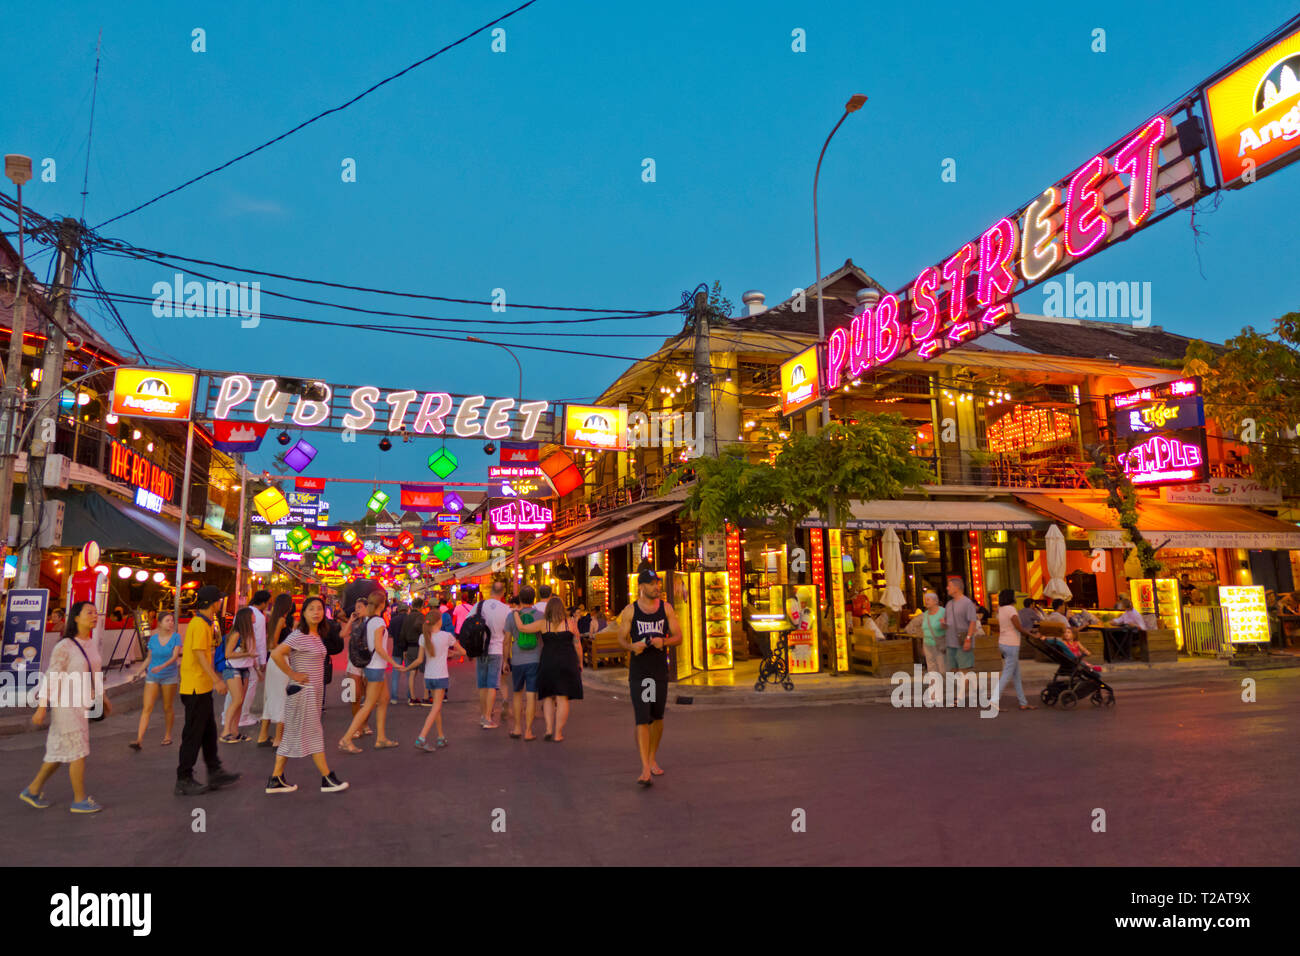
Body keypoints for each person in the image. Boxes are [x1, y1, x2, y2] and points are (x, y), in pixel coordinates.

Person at [20, 601, 110, 812]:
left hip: (82, 705)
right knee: (78, 751)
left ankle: (32, 790)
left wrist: (103, 697)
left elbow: (95, 674)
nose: (94, 616)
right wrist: (42, 707)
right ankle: (79, 799)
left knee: (58, 753)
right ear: (76, 617)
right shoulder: (65, 646)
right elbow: (52, 676)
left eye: (96, 613)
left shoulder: (91, 643)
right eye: (89, 612)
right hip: (66, 706)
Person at [265, 596, 348, 794]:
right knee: (314, 733)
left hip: (313, 692)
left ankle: (276, 779)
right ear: (303, 613)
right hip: (303, 692)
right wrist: (293, 674)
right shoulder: (298, 635)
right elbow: (276, 653)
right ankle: (327, 778)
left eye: (319, 609)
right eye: (311, 609)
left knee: (293, 735)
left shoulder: (316, 634)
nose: (316, 612)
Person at [616, 569, 682, 786]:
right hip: (640, 672)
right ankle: (645, 767)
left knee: (657, 717)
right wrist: (631, 646)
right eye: (652, 584)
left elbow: (679, 636)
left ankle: (652, 756)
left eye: (658, 583)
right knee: (642, 717)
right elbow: (621, 639)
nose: (657, 587)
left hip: (658, 671)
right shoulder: (630, 611)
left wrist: (665, 642)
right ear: (641, 586)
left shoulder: (666, 609)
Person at [175, 586, 242, 796]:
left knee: (208, 732)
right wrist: (217, 680)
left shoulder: (205, 623)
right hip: (194, 687)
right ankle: (184, 778)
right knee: (193, 735)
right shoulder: (198, 624)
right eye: (220, 599)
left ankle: (214, 770)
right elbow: (199, 655)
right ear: (214, 602)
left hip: (201, 687)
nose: (221, 602)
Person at [515, 595, 584, 743]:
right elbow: (577, 644)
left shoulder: (542, 624)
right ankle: (558, 733)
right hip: (567, 661)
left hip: (548, 661)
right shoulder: (570, 623)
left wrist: (516, 613)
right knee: (562, 697)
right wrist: (581, 662)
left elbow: (522, 628)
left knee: (548, 696)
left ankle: (548, 729)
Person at [338, 589, 398, 752]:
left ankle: (381, 738)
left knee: (384, 700)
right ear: (382, 604)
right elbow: (379, 647)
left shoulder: (370, 621)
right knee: (369, 704)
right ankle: (346, 738)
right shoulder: (378, 622)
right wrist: (394, 663)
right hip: (376, 667)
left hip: (373, 666)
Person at [408, 612, 465, 751]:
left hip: (429, 676)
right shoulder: (447, 636)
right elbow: (463, 652)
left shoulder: (423, 637)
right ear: (439, 621)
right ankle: (422, 737)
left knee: (436, 707)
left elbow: (420, 660)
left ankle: (441, 737)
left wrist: (406, 668)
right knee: (436, 708)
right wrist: (452, 653)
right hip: (440, 676)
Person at [129, 610, 182, 749]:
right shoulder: (153, 639)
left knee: (167, 707)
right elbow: (149, 658)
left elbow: (175, 656)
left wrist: (162, 666)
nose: (171, 623)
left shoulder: (176, 637)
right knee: (147, 707)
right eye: (167, 620)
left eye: (172, 620)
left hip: (169, 676)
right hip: (153, 675)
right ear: (159, 623)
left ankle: (168, 735)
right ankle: (139, 739)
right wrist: (138, 673)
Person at [502, 586, 541, 740]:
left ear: (520, 599)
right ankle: (529, 731)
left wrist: (506, 660)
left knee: (517, 694)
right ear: (534, 599)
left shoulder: (512, 616)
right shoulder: (540, 615)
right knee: (531, 695)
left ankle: (517, 728)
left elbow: (506, 641)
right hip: (535, 659)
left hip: (517, 659)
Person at [474, 580, 513, 729]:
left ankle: (484, 715)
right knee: (492, 685)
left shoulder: (479, 606)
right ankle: (488, 717)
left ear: (490, 591)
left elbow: (468, 623)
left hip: (480, 649)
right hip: (497, 650)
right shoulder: (506, 609)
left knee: (482, 685)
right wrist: (506, 659)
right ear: (503, 593)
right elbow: (508, 636)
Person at [258, 593, 295, 748]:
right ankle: (279, 739)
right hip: (280, 660)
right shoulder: (281, 620)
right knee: (282, 698)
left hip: (273, 661)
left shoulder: (273, 619)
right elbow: (273, 642)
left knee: (272, 697)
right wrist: (286, 651)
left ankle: (263, 735)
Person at [994, 588, 1036, 711]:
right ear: (1010, 597)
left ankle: (1023, 702)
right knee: (1007, 674)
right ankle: (994, 701)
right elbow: (1018, 627)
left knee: (1016, 675)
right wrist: (1032, 635)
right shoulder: (1011, 609)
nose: (1016, 598)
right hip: (1012, 644)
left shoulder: (1000, 610)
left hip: (1003, 642)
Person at [220, 607, 257, 743]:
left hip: (244, 669)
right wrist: (247, 654)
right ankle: (226, 732)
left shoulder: (249, 634)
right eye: (252, 615)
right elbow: (228, 654)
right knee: (237, 700)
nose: (255, 616)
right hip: (233, 669)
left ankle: (235, 732)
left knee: (240, 701)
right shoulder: (236, 634)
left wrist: (255, 666)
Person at [341, 596, 373, 740]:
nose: (357, 609)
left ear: (367, 608)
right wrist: (350, 621)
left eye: (360, 607)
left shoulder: (371, 622)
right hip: (354, 662)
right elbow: (342, 634)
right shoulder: (353, 623)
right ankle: (357, 726)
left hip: (368, 662)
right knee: (355, 696)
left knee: (368, 697)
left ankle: (365, 724)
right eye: (356, 607)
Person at [239, 590, 271, 732]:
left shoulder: (243, 612)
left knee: (237, 687)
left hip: (238, 655)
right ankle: (243, 716)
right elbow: (260, 640)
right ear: (263, 603)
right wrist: (262, 660)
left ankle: (230, 714)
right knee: (250, 684)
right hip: (251, 655)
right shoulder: (258, 616)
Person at [943, 576, 979, 673]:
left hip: (962, 641)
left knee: (964, 669)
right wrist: (943, 624)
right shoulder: (949, 604)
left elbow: (972, 622)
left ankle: (964, 688)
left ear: (956, 588)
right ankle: (967, 687)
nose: (947, 588)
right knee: (953, 669)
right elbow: (946, 624)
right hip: (950, 642)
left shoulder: (967, 603)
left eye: (949, 586)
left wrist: (968, 639)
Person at [401, 598, 428, 706]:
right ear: (421, 606)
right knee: (425, 672)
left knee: (412, 673)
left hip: (409, 647)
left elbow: (402, 634)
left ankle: (412, 698)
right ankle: (426, 697)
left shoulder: (407, 617)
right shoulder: (420, 616)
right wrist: (423, 632)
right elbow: (418, 625)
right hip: (419, 647)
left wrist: (404, 649)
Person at [916, 590, 946, 674]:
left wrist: (945, 625)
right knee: (931, 668)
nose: (926, 601)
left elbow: (950, 627)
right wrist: (923, 646)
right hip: (928, 645)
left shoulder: (943, 612)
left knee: (942, 668)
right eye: (925, 599)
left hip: (940, 644)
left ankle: (947, 685)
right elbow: (925, 630)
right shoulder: (925, 614)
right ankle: (934, 686)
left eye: (928, 599)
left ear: (935, 601)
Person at [388, 602, 409, 704]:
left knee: (395, 674)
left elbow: (390, 635)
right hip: (408, 649)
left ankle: (394, 697)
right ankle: (410, 696)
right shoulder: (410, 619)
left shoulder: (394, 620)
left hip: (397, 648)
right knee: (410, 673)